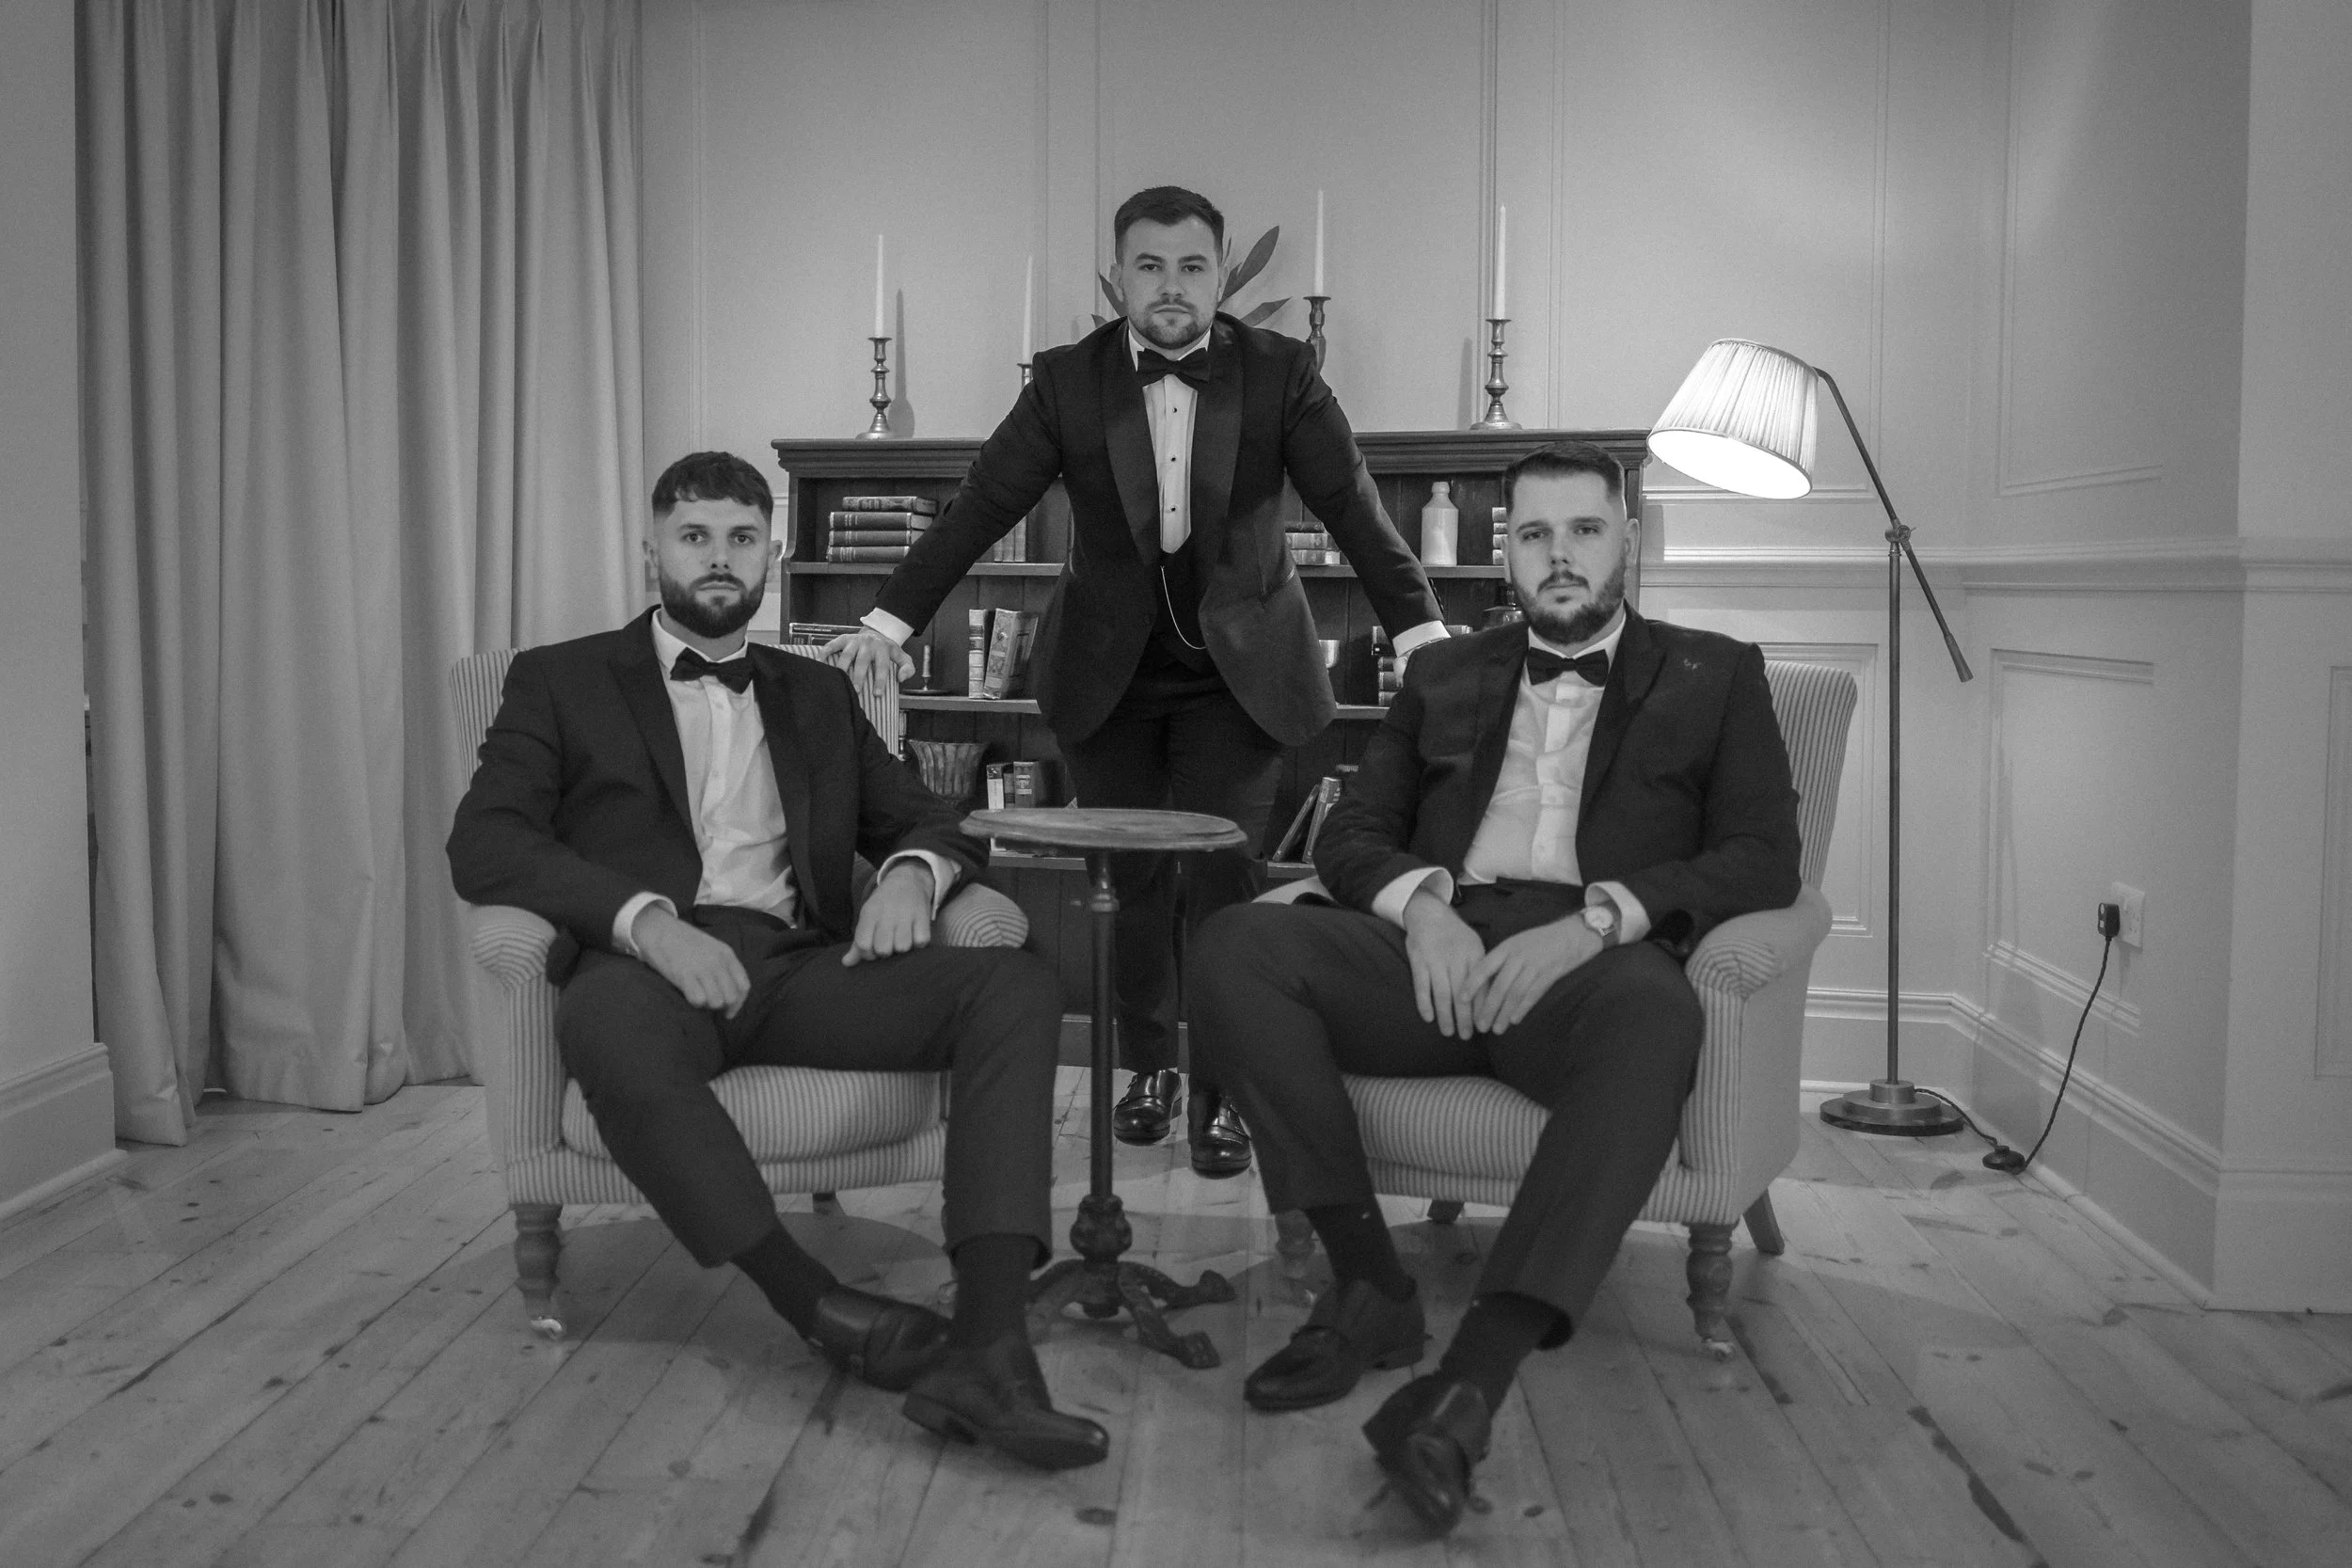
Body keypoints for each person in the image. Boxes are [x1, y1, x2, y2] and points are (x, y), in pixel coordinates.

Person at [1185, 440, 1802, 1533]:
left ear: (1627, 539)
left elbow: (1763, 856)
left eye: (1584, 530)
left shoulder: (1716, 672)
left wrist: (1598, 920)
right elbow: (1354, 833)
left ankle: (1465, 1386)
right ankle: (1368, 1284)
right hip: (1436, 955)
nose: (1558, 555)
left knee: (1655, 1012)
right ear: (1502, 551)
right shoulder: (1441, 671)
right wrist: (1422, 908)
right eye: (1533, 534)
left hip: (1585, 968)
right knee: (1235, 944)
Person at [448, 451, 1105, 1472]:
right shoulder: (560, 678)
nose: (719, 557)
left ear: (772, 551)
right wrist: (645, 923)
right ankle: (817, 1304)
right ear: (652, 551)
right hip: (649, 967)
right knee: (602, 1021)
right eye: (694, 536)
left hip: (800, 966)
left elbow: (930, 816)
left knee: (1014, 981)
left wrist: (912, 876)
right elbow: (486, 839)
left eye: (741, 537)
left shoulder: (818, 690)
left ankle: (990, 1342)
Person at [831, 186, 1448, 1178]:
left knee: (1223, 879)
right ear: (1117, 277)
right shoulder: (1065, 381)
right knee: (1128, 879)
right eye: (1149, 266)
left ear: (1220, 273)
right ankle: (1150, 1069)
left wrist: (1420, 630)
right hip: (1106, 670)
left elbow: (1352, 505)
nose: (1171, 286)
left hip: (1240, 674)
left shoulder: (1282, 372)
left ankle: (1225, 1088)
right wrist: (887, 621)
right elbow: (984, 502)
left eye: (1192, 266)